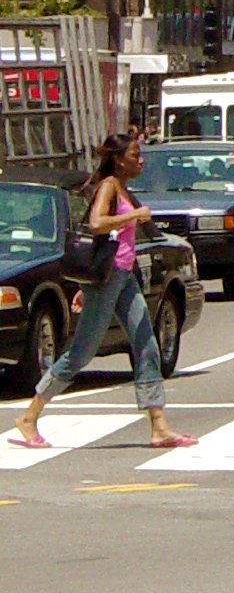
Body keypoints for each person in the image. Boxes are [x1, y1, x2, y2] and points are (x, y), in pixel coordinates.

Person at [8, 135, 192, 451]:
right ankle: (29, 417)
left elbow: (119, 245)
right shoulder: (108, 185)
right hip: (108, 281)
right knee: (81, 353)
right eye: (136, 155)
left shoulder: (121, 187)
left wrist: (86, 285)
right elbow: (96, 225)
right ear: (120, 159)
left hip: (122, 277)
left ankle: (159, 427)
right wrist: (134, 215)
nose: (142, 160)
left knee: (146, 343)